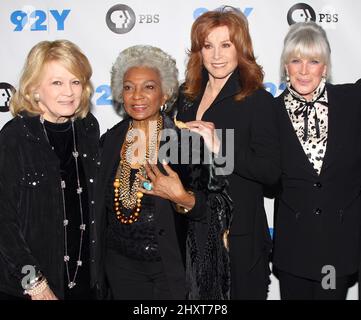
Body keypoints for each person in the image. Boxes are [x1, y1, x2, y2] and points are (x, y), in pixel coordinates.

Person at [94, 45, 232, 300]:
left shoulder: (185, 143)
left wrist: (183, 198)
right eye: (128, 87)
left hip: (170, 269)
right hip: (119, 269)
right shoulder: (109, 141)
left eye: (148, 87)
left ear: (165, 93)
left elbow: (220, 207)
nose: (137, 96)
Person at [175, 7, 280, 299]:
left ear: (240, 49)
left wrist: (221, 147)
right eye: (208, 46)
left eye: (226, 45)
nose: (217, 55)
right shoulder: (186, 96)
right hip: (191, 231)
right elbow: (184, 161)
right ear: (199, 51)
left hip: (236, 238)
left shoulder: (257, 99)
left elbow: (271, 173)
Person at [0, 40, 101, 300]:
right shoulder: (14, 137)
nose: (68, 92)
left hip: (86, 284)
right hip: (32, 289)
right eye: (57, 82)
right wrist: (34, 282)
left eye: (75, 82)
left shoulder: (88, 128)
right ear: (34, 89)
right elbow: (4, 225)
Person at [272, 21, 361, 300]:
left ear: (325, 66)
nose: (303, 70)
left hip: (336, 249)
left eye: (313, 61)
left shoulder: (352, 100)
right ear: (286, 66)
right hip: (293, 252)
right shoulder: (269, 112)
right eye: (295, 60)